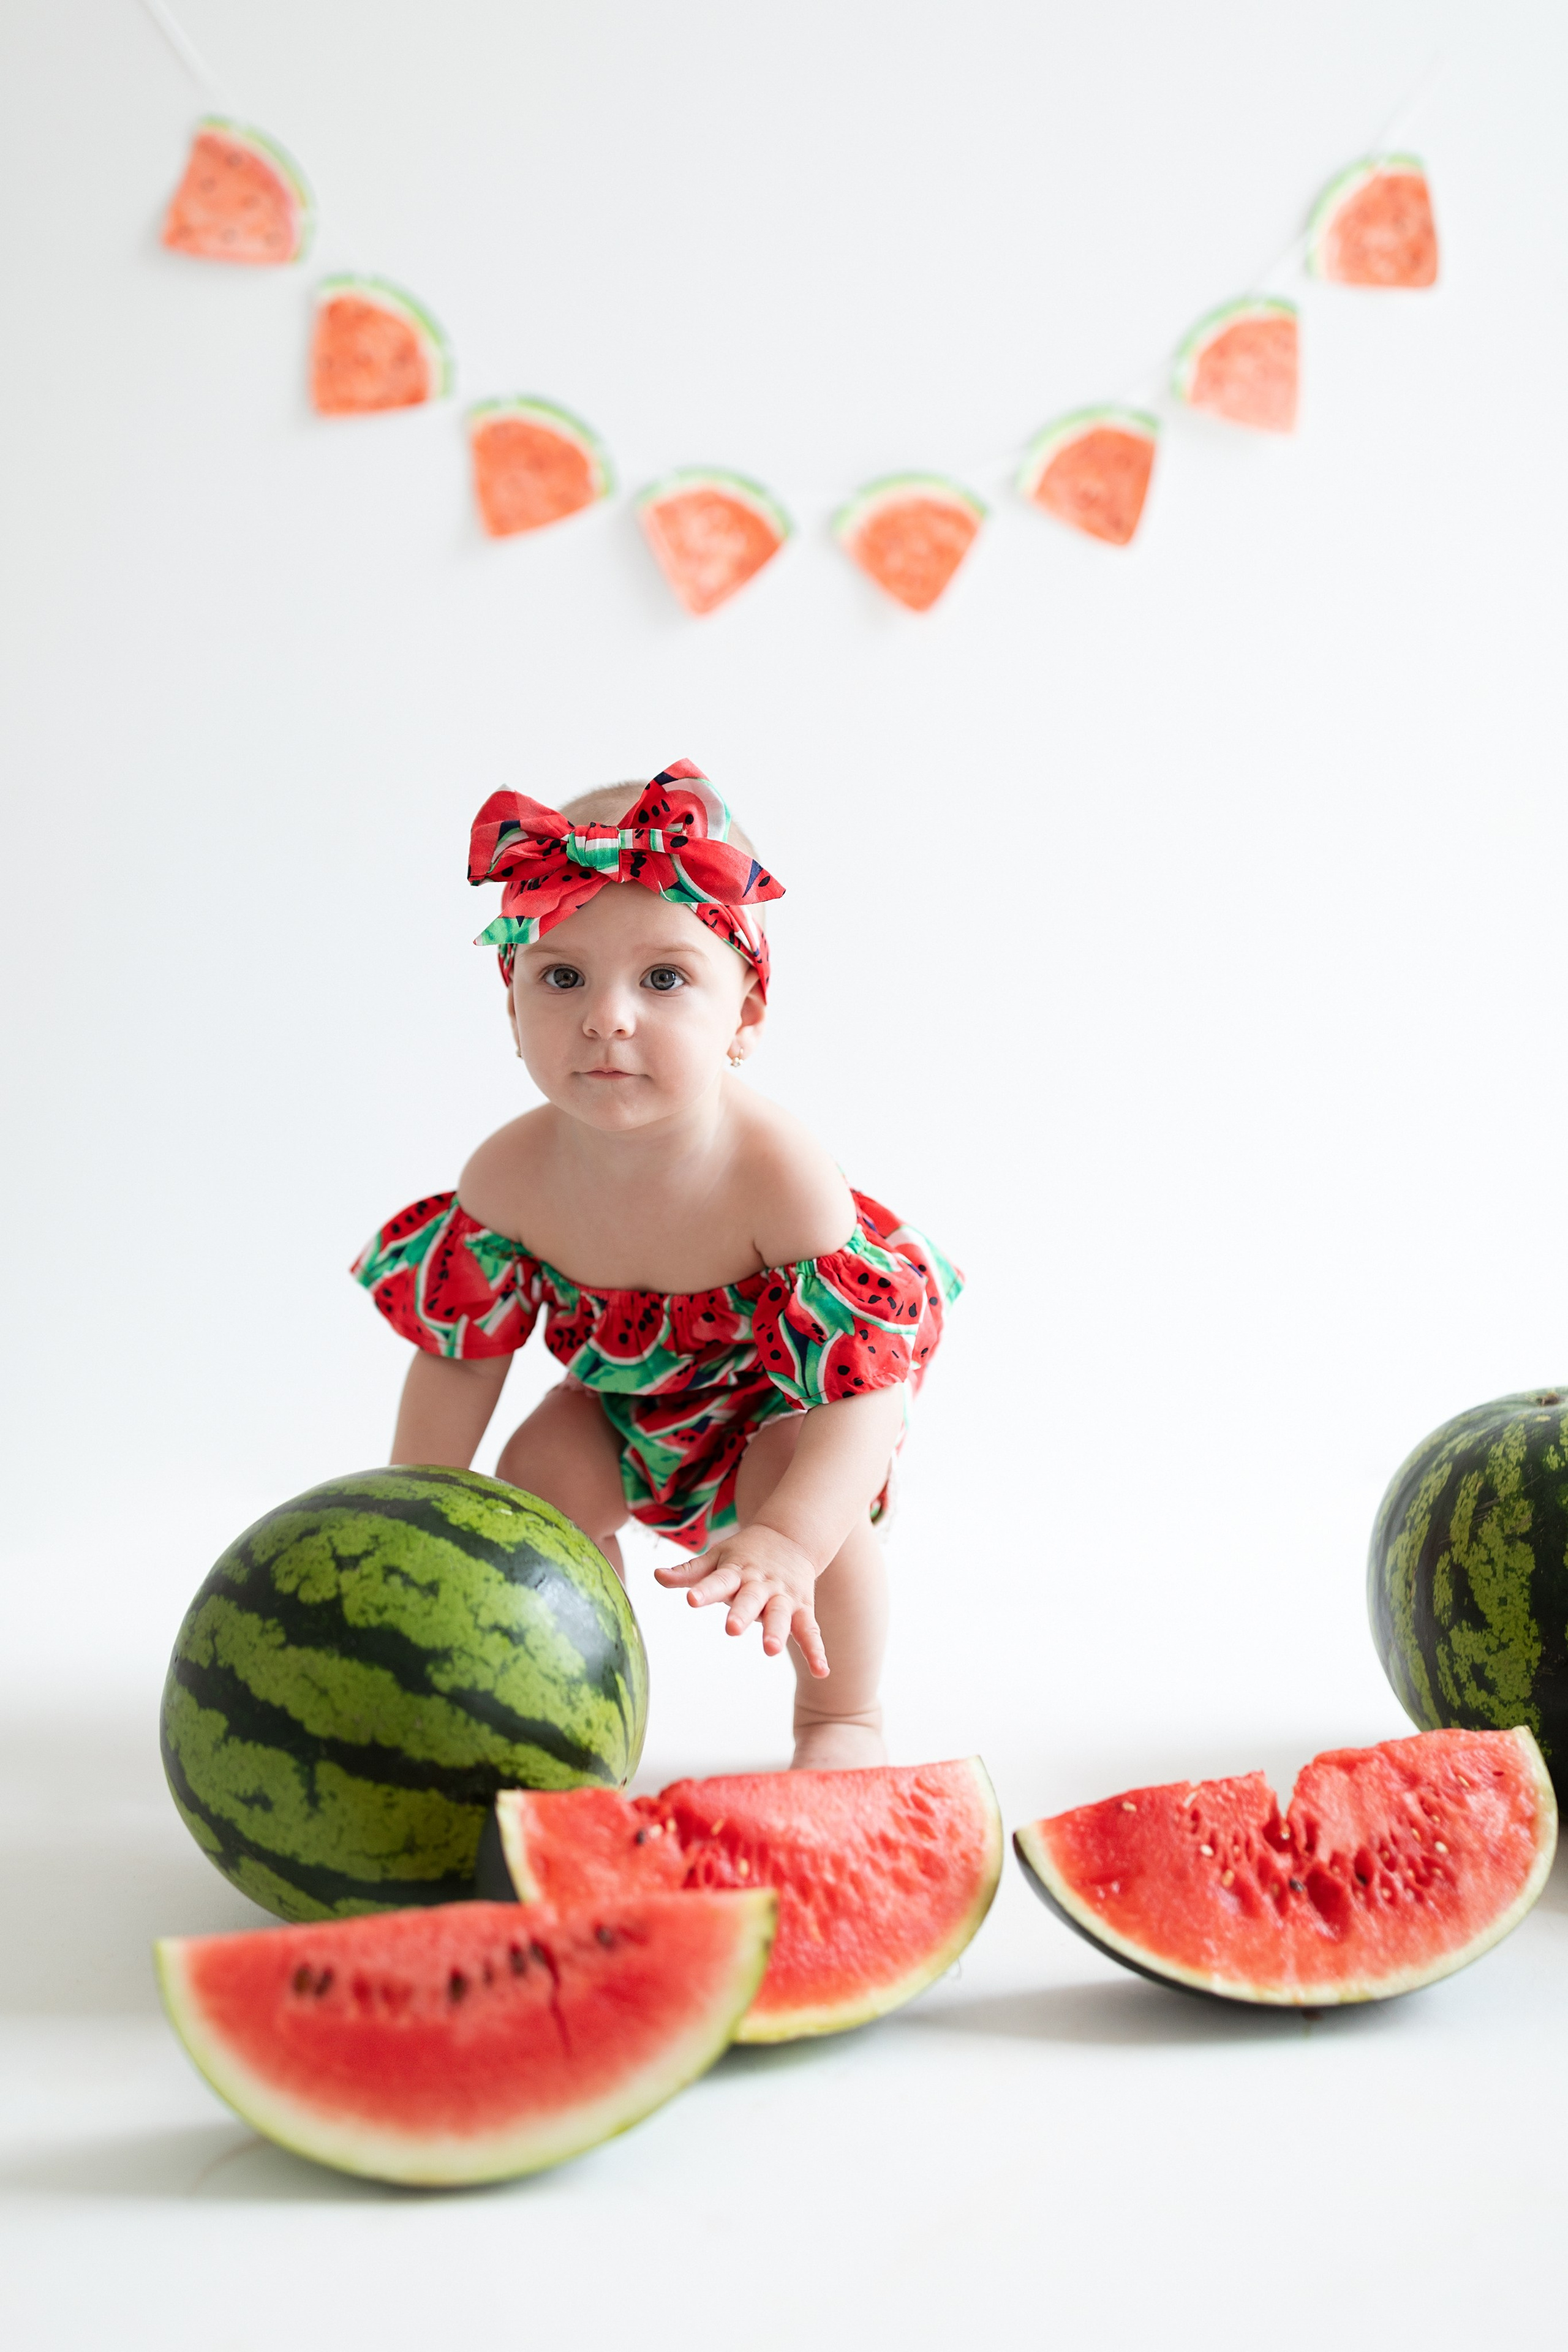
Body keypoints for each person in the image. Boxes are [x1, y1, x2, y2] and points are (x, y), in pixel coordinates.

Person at [353, 760, 960, 1768]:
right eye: (562, 977)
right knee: (530, 1487)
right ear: (511, 1009)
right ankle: (591, 1701)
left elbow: (869, 1392)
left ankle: (841, 1719)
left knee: (818, 1516)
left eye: (665, 978)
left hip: (780, 1414)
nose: (608, 1018)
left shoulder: (778, 1176)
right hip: (618, 1408)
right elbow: (464, 1357)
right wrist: (412, 1509)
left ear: (747, 1017)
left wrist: (793, 1540)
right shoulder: (509, 1178)